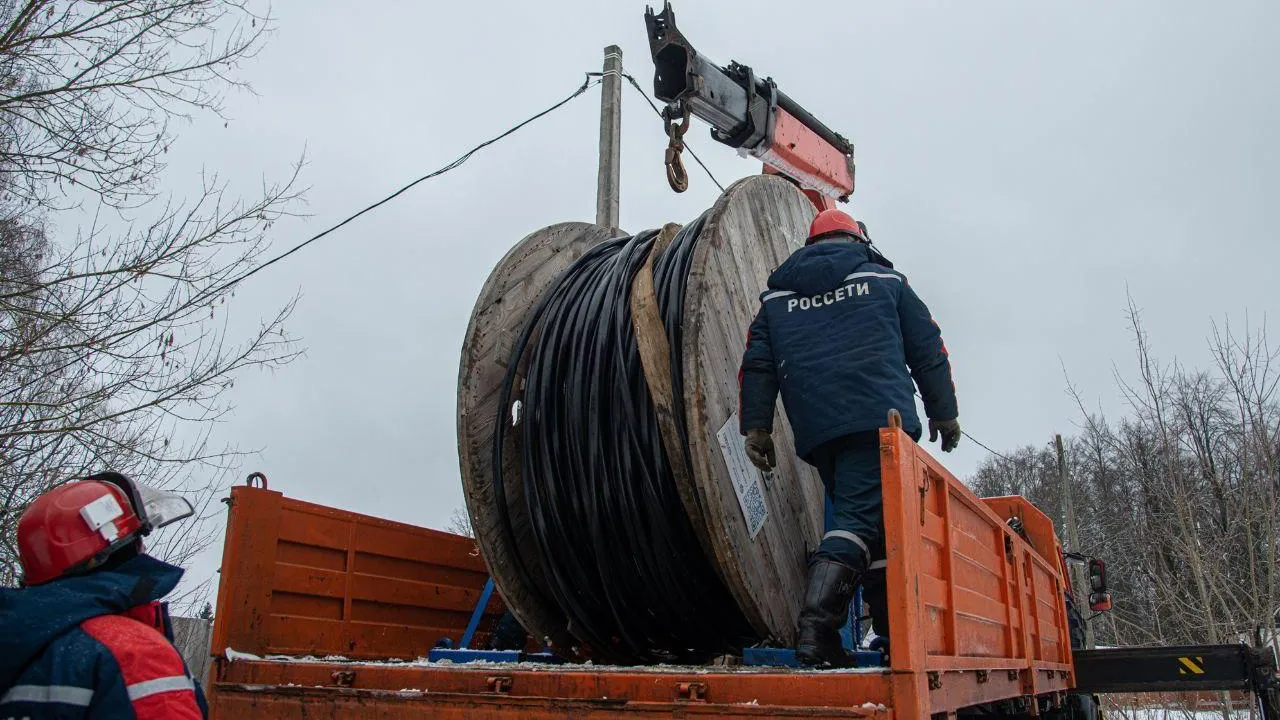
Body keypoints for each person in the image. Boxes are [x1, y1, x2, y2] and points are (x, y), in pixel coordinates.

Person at [738, 208, 960, 667]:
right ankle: (817, 632)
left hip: (820, 430)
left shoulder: (777, 298)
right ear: (857, 239)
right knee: (858, 521)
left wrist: (757, 426)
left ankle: (894, 631)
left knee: (877, 531)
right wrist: (945, 414)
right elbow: (929, 349)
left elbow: (757, 365)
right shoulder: (886, 281)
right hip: (877, 421)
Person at [0, 472, 208, 718]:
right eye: (138, 538)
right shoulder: (132, 652)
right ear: (116, 551)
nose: (143, 547)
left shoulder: (17, 643)